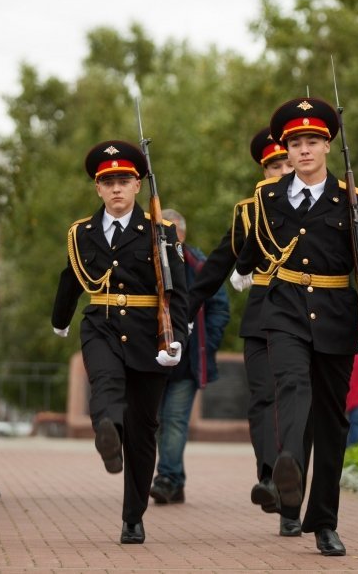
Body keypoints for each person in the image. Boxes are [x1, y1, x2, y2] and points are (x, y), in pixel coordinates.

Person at [231, 99, 358, 556]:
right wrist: (241, 268)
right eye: (295, 143)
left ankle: (323, 521)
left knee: (332, 420)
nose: (303, 150)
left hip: (337, 315)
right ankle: (289, 465)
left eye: (312, 142)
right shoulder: (269, 196)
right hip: (282, 309)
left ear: (326, 146)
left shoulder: (352, 201)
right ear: (287, 148)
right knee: (290, 385)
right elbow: (255, 245)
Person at [51, 140, 188, 545]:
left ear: (138, 186)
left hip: (150, 331)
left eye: (124, 181)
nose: (116, 189)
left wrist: (176, 336)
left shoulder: (160, 232)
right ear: (97, 188)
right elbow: (71, 277)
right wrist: (61, 320)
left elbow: (178, 290)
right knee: (105, 380)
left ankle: (133, 516)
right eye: (108, 181)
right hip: (102, 323)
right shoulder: (83, 232)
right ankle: (106, 431)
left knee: (144, 430)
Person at [185, 127, 304, 537]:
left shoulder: (322, 201)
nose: (283, 169)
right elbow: (218, 263)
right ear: (264, 170)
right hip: (263, 313)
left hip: (310, 317)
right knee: (263, 400)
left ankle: (293, 496)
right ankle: (272, 479)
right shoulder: (249, 211)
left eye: (288, 161)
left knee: (297, 403)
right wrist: (186, 309)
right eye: (275, 164)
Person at [149, 209, 230, 505]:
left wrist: (207, 342)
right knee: (157, 421)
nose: (164, 240)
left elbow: (220, 308)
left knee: (173, 420)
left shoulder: (200, 265)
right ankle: (176, 480)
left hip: (188, 363)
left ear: (181, 234)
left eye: (169, 234)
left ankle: (167, 478)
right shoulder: (149, 263)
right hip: (154, 360)